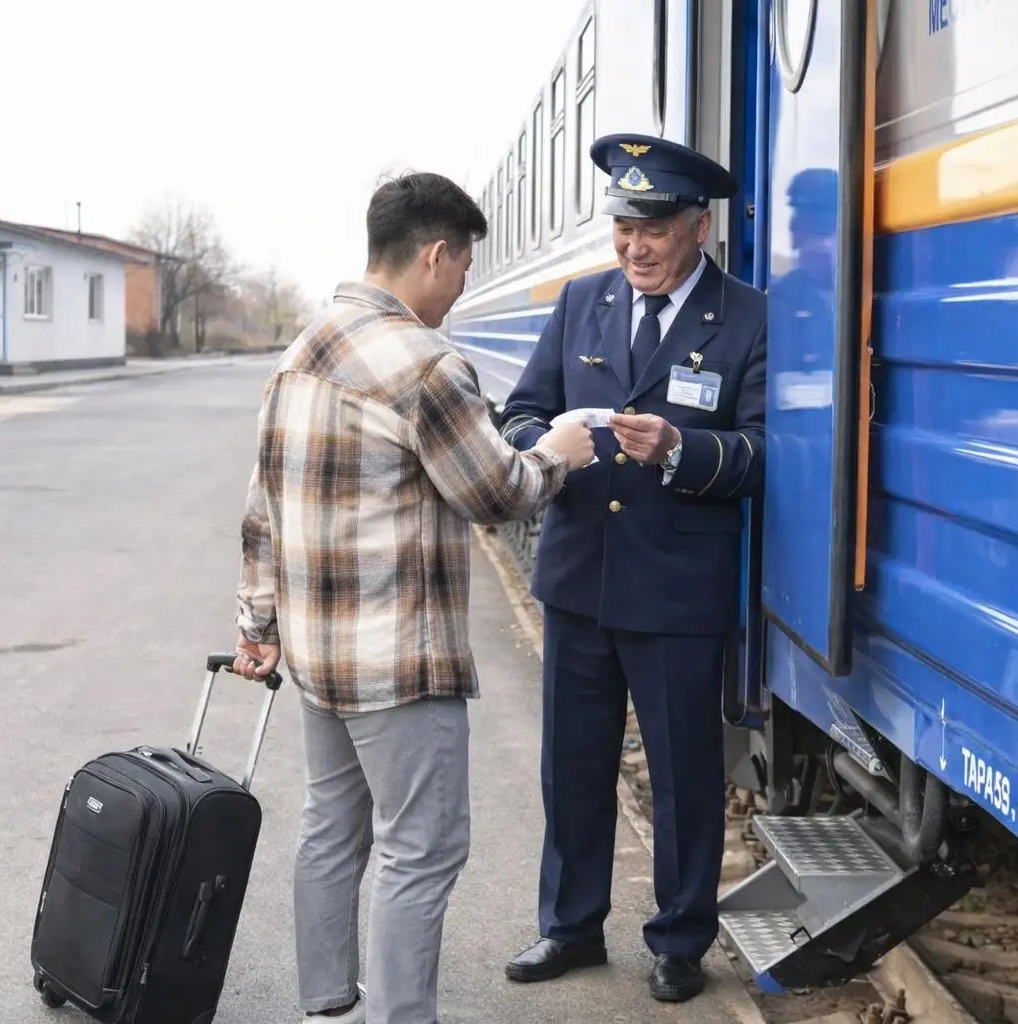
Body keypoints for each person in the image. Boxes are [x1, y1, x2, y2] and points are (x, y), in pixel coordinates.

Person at [231, 170, 596, 1024]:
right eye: (463, 265)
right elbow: (496, 492)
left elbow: (261, 508)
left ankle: (328, 1002)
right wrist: (562, 453)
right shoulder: (427, 364)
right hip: (399, 662)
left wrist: (258, 624)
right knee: (421, 853)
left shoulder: (300, 352)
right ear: (435, 254)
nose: (462, 285)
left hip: (320, 657)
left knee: (332, 828)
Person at [497, 133, 768, 1003]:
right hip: (580, 578)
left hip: (678, 591)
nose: (634, 247)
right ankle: (570, 927)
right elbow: (519, 412)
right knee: (573, 766)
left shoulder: (748, 316)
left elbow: (766, 451)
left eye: (653, 229)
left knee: (685, 775)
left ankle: (681, 940)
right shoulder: (583, 301)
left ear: (699, 225)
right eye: (623, 227)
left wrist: (682, 451)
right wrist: (544, 444)